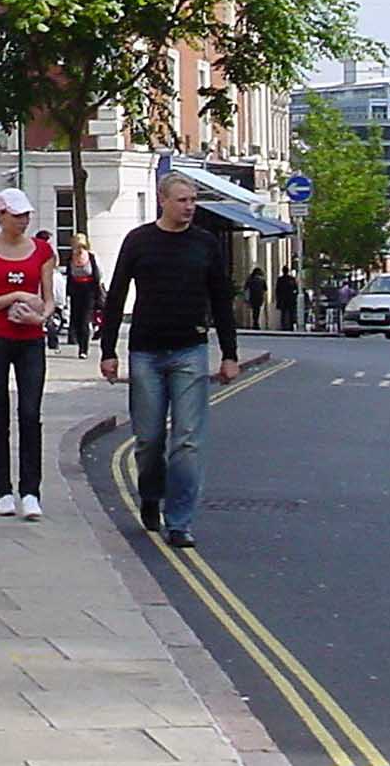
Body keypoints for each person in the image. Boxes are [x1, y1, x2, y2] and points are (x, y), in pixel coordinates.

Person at [99, 173, 240, 549]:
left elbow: (222, 300)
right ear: (163, 200)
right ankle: (150, 493)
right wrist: (108, 350)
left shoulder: (205, 244)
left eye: (193, 199)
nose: (190, 206)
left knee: (187, 441)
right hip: (145, 351)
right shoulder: (139, 241)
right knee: (148, 440)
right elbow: (116, 296)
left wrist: (229, 354)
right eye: (182, 200)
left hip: (190, 351)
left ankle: (179, 521)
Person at [0, 189, 54, 520]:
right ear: (0, 216)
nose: (23, 221)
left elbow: (48, 299)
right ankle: (2, 490)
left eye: (26, 215)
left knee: (30, 413)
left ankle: (31, 491)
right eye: (16, 215)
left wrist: (41, 316)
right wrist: (16, 295)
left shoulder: (43, 251)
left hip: (30, 339)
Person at [65, 234, 100, 357]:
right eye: (76, 246)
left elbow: (96, 276)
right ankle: (79, 342)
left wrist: (98, 294)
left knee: (85, 320)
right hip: (76, 291)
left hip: (89, 291)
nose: (79, 249)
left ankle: (83, 349)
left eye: (82, 246)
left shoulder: (91, 257)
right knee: (76, 320)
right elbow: (69, 276)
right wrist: (67, 293)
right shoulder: (70, 258)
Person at [274, 268, 299, 332]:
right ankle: (291, 326)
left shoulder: (280, 279)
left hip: (283, 299)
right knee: (290, 313)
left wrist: (278, 299)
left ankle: (283, 325)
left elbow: (277, 290)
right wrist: (294, 296)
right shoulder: (291, 279)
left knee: (283, 313)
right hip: (290, 299)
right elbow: (296, 289)